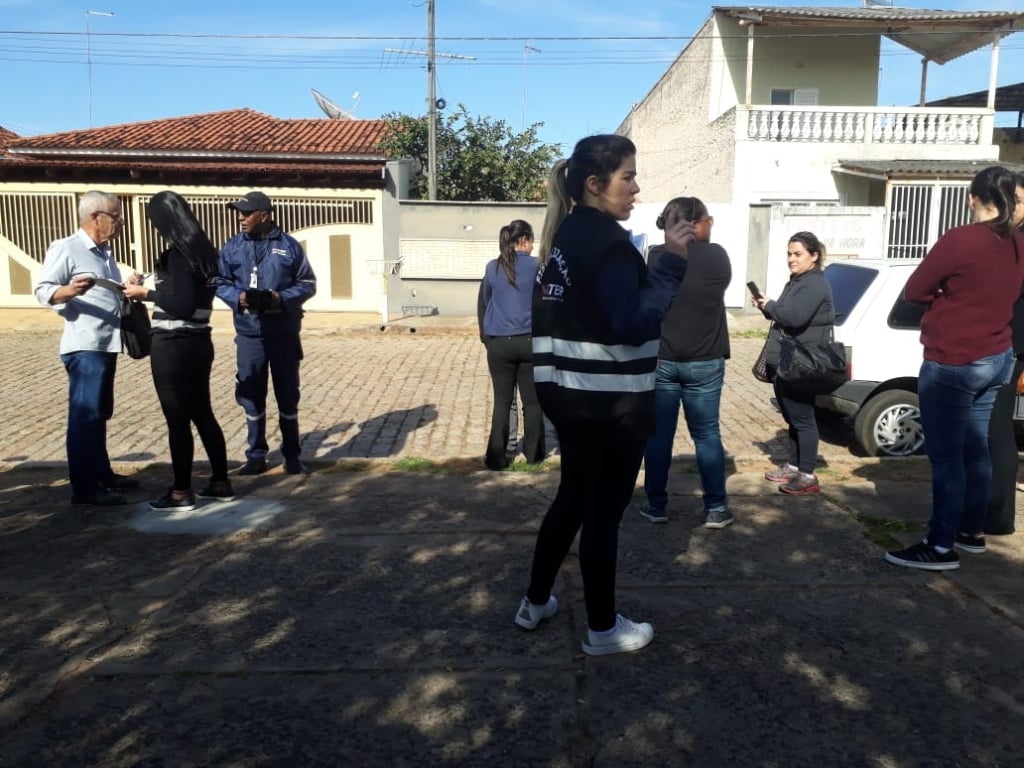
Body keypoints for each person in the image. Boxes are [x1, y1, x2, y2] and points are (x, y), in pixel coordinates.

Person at [514, 134, 695, 656]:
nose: (636, 189)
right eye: (628, 177)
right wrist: (669, 264)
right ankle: (601, 629)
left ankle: (535, 602)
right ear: (595, 185)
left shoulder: (568, 235)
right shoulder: (609, 245)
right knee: (602, 515)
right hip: (609, 406)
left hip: (571, 399)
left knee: (571, 501)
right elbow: (632, 323)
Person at [885, 165, 1024, 571]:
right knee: (975, 447)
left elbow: (915, 290)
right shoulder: (1017, 242)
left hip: (955, 359)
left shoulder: (962, 238)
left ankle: (940, 545)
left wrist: (947, 292)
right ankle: (970, 531)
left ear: (972, 198)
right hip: (998, 356)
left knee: (947, 458)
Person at [123, 191, 233, 511]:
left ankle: (181, 491)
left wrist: (145, 293)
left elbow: (181, 303)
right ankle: (220, 481)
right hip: (200, 341)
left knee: (177, 420)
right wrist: (147, 279)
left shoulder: (178, 255)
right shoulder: (205, 252)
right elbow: (190, 293)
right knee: (203, 412)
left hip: (172, 345)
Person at [34, 190, 139, 506]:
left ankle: (102, 473)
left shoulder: (104, 253)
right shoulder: (67, 248)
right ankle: (85, 489)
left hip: (107, 342)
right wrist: (66, 290)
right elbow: (42, 290)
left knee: (99, 413)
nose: (120, 223)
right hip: (84, 345)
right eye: (116, 217)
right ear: (96, 217)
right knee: (84, 415)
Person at [641, 197, 732, 528]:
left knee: (659, 436)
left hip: (663, 360)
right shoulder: (718, 256)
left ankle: (656, 505)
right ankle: (716, 508)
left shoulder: (655, 258)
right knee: (707, 434)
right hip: (706, 361)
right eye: (708, 219)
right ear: (694, 224)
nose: (711, 224)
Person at [215, 191, 317, 476]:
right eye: (239, 212)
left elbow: (307, 283)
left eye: (246, 213)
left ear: (265, 215)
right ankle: (256, 455)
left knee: (287, 394)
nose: (240, 218)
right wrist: (239, 298)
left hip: (283, 334)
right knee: (251, 393)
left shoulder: (289, 247)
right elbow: (220, 281)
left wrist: (279, 298)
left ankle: (292, 455)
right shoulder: (232, 247)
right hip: (249, 335)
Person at [753, 231, 835, 496]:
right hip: (787, 361)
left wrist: (772, 305)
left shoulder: (815, 284)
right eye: (789, 253)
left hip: (802, 363)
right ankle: (794, 465)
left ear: (814, 256)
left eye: (797, 254)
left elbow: (796, 317)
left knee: (803, 418)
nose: (791, 259)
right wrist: (766, 307)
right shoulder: (798, 281)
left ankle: (807, 474)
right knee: (792, 416)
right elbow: (785, 316)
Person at [477, 219, 545, 469]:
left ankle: (497, 456)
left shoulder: (493, 267)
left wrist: (487, 337)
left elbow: (486, 302)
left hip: (499, 343)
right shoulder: (538, 266)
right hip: (529, 341)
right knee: (532, 401)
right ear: (525, 240)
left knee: (503, 401)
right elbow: (546, 302)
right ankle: (534, 454)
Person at [985, 175, 1024, 538]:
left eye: (1019, 201)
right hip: (1005, 342)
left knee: (997, 428)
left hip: (1011, 344)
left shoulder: (1020, 242)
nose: (1013, 208)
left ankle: (997, 516)